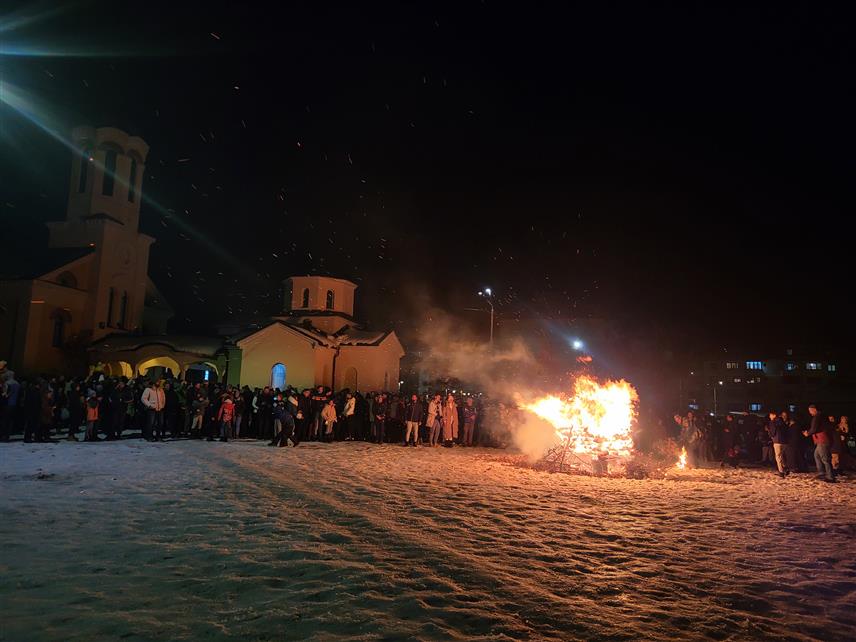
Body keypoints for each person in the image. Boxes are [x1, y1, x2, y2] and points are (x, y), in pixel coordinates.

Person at [804, 404, 835, 482]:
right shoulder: (821, 416)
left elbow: (814, 428)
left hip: (822, 440)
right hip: (821, 440)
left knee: (825, 459)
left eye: (810, 411)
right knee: (817, 455)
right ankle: (822, 473)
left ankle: (830, 476)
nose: (810, 413)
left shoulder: (817, 417)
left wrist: (808, 433)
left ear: (814, 409)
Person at [766, 411, 790, 477]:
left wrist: (768, 431)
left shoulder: (772, 422)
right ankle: (785, 468)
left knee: (778, 457)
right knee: (781, 455)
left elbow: (772, 433)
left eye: (770, 415)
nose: (770, 417)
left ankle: (781, 471)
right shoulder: (783, 422)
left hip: (777, 441)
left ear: (774, 415)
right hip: (785, 441)